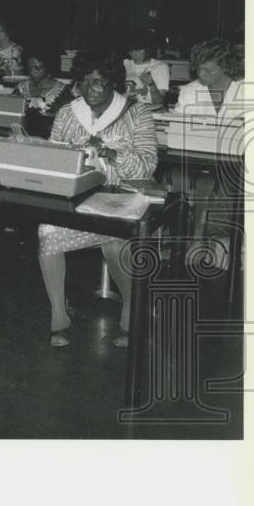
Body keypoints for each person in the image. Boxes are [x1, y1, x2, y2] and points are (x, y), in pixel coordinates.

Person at [39, 51, 157, 349]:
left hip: (122, 201)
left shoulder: (136, 113)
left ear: (113, 83)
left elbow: (147, 166)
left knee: (116, 242)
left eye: (99, 83)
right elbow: (54, 160)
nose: (91, 88)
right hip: (78, 200)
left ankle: (133, 313)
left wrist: (109, 152)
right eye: (85, 81)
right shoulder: (68, 113)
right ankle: (58, 315)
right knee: (47, 231)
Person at [170, 38, 245, 267]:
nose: (200, 74)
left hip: (239, 161)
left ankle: (198, 238)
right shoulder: (191, 91)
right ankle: (184, 239)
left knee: (209, 180)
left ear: (226, 67)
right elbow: (177, 126)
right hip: (200, 157)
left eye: (208, 69)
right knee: (181, 176)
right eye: (198, 68)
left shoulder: (248, 89)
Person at [14, 47, 75, 138]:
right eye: (29, 67)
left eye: (38, 68)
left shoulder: (63, 93)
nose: (32, 71)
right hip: (21, 139)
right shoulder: (20, 88)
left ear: (48, 67)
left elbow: (68, 122)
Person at [123, 43, 170, 107]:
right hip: (129, 108)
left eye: (139, 49)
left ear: (148, 50)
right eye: (131, 50)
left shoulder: (160, 67)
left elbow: (159, 103)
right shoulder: (125, 63)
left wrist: (151, 84)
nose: (134, 53)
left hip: (152, 110)